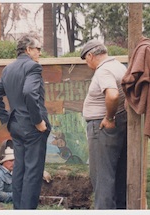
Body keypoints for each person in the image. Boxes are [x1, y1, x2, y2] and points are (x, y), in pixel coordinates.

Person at [0, 34, 51, 209]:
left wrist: (7, 118)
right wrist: (38, 120)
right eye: (37, 49)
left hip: (16, 125)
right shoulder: (33, 67)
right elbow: (29, 93)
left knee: (20, 169)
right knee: (33, 171)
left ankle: (19, 208)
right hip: (32, 127)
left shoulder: (8, 69)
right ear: (28, 50)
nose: (39, 52)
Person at [80, 39, 127, 209]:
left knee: (102, 177)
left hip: (103, 129)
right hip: (120, 123)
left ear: (91, 55)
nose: (87, 64)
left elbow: (112, 95)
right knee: (117, 174)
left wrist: (109, 118)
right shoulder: (119, 66)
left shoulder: (104, 70)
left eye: (86, 59)